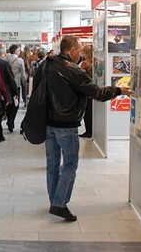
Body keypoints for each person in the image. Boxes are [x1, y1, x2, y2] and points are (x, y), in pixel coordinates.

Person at [32, 35, 130, 222]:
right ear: (72, 51)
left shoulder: (46, 64)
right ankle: (59, 204)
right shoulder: (72, 69)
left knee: (52, 165)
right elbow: (97, 93)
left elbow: (36, 89)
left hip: (48, 124)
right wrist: (118, 90)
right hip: (66, 125)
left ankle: (55, 201)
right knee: (70, 164)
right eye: (80, 49)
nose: (81, 55)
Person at [0, 46, 18, 139]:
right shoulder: (4, 63)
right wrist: (15, 92)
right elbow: (11, 79)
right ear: (2, 54)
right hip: (2, 93)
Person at [6, 44, 27, 129]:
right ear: (15, 51)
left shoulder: (5, 58)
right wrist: (25, 85)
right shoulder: (19, 60)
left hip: (6, 85)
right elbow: (23, 75)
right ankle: (11, 121)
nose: (19, 52)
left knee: (8, 103)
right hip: (16, 85)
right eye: (19, 50)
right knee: (16, 104)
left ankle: (8, 119)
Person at [79, 44, 94, 138]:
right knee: (91, 111)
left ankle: (88, 131)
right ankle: (92, 130)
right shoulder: (95, 63)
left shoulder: (84, 64)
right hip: (93, 89)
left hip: (85, 90)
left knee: (87, 111)